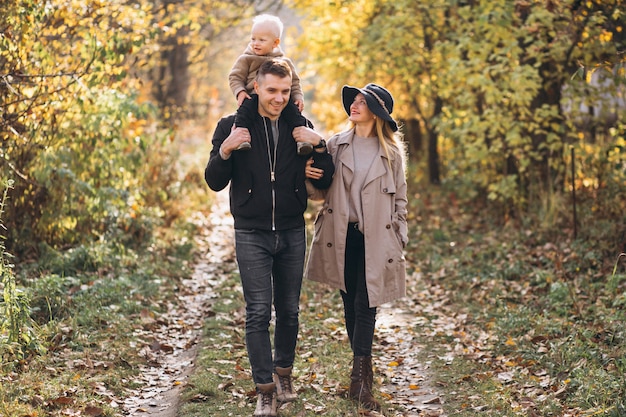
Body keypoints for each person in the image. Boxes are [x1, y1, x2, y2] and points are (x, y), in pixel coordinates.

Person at [205, 59, 334, 417]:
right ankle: (264, 389)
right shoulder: (231, 126)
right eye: (271, 90)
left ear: (290, 90)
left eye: (284, 91)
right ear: (257, 88)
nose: (278, 98)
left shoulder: (301, 127)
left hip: (293, 230)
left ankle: (284, 374)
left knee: (289, 311)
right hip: (251, 232)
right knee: (258, 312)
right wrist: (226, 149)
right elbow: (214, 179)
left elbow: (324, 181)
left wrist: (320, 147)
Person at [304, 83, 408, 411]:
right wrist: (311, 176)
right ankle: (362, 366)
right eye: (355, 101)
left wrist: (399, 235)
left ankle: (360, 382)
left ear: (376, 112)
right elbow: (319, 193)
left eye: (363, 102)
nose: (355, 105)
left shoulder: (391, 153)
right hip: (341, 236)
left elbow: (401, 199)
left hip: (377, 238)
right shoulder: (335, 145)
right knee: (350, 304)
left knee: (367, 304)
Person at [229, 14, 311, 155]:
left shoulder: (284, 62)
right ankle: (242, 138)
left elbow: (295, 82)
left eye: (262, 40)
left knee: (295, 115)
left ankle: (302, 140)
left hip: (279, 99)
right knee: (243, 114)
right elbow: (235, 77)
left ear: (275, 43)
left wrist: (298, 97)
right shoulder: (246, 59)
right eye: (253, 39)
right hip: (252, 96)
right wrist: (240, 92)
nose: (256, 43)